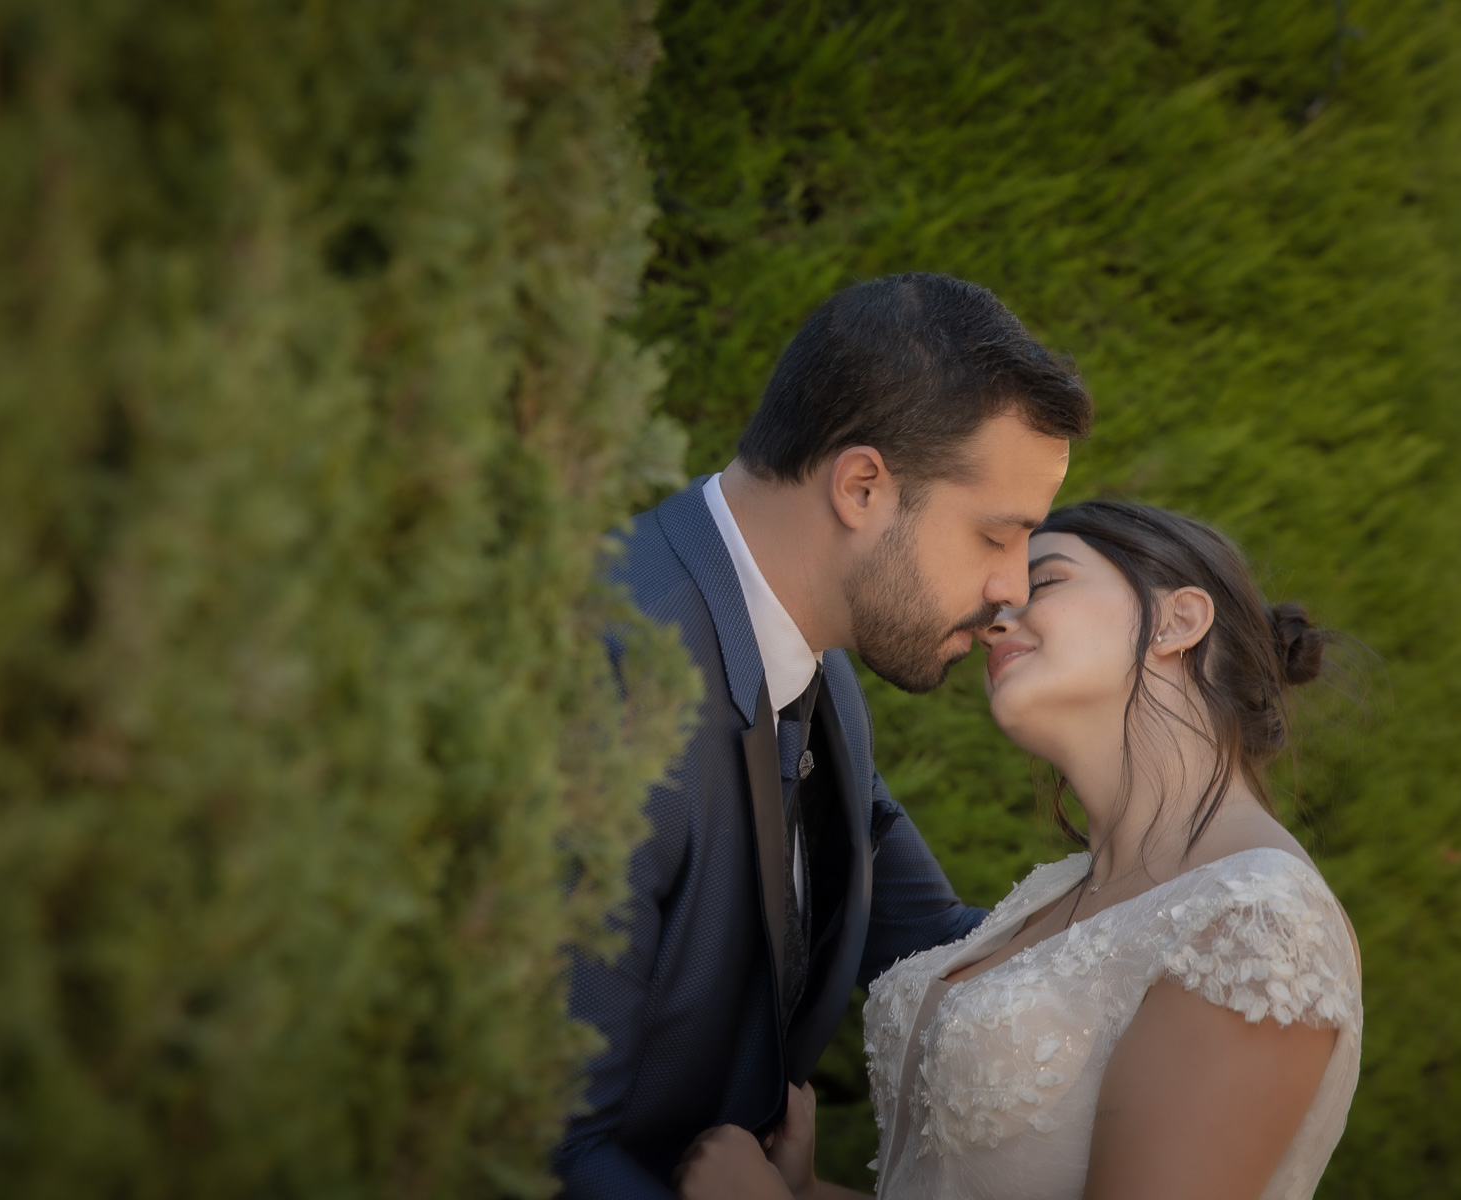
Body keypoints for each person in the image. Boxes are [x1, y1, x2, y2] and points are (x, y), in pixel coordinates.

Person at [553, 272, 1093, 1197]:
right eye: (997, 535)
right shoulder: (609, 677)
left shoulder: (822, 673)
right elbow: (543, 1143)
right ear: (861, 486)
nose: (1014, 588)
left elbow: (936, 943)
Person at [680, 500, 1362, 1200]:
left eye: (1046, 581)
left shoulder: (1261, 924)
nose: (992, 621)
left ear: (1178, 620)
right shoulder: (1057, 894)